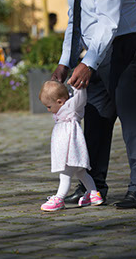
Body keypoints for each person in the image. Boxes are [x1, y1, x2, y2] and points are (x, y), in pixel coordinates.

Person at [52, 0, 136, 209]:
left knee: (132, 117)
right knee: (96, 117)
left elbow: (109, 21)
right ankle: (93, 186)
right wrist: (66, 61)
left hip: (124, 47)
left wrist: (88, 63)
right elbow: (75, 20)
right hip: (96, 51)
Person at [39, 80, 103, 212]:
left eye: (49, 106)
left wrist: (78, 86)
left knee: (65, 175)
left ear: (60, 102)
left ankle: (59, 199)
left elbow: (80, 97)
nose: (48, 109)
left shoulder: (71, 108)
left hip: (71, 151)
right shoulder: (61, 110)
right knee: (82, 173)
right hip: (68, 150)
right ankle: (93, 194)